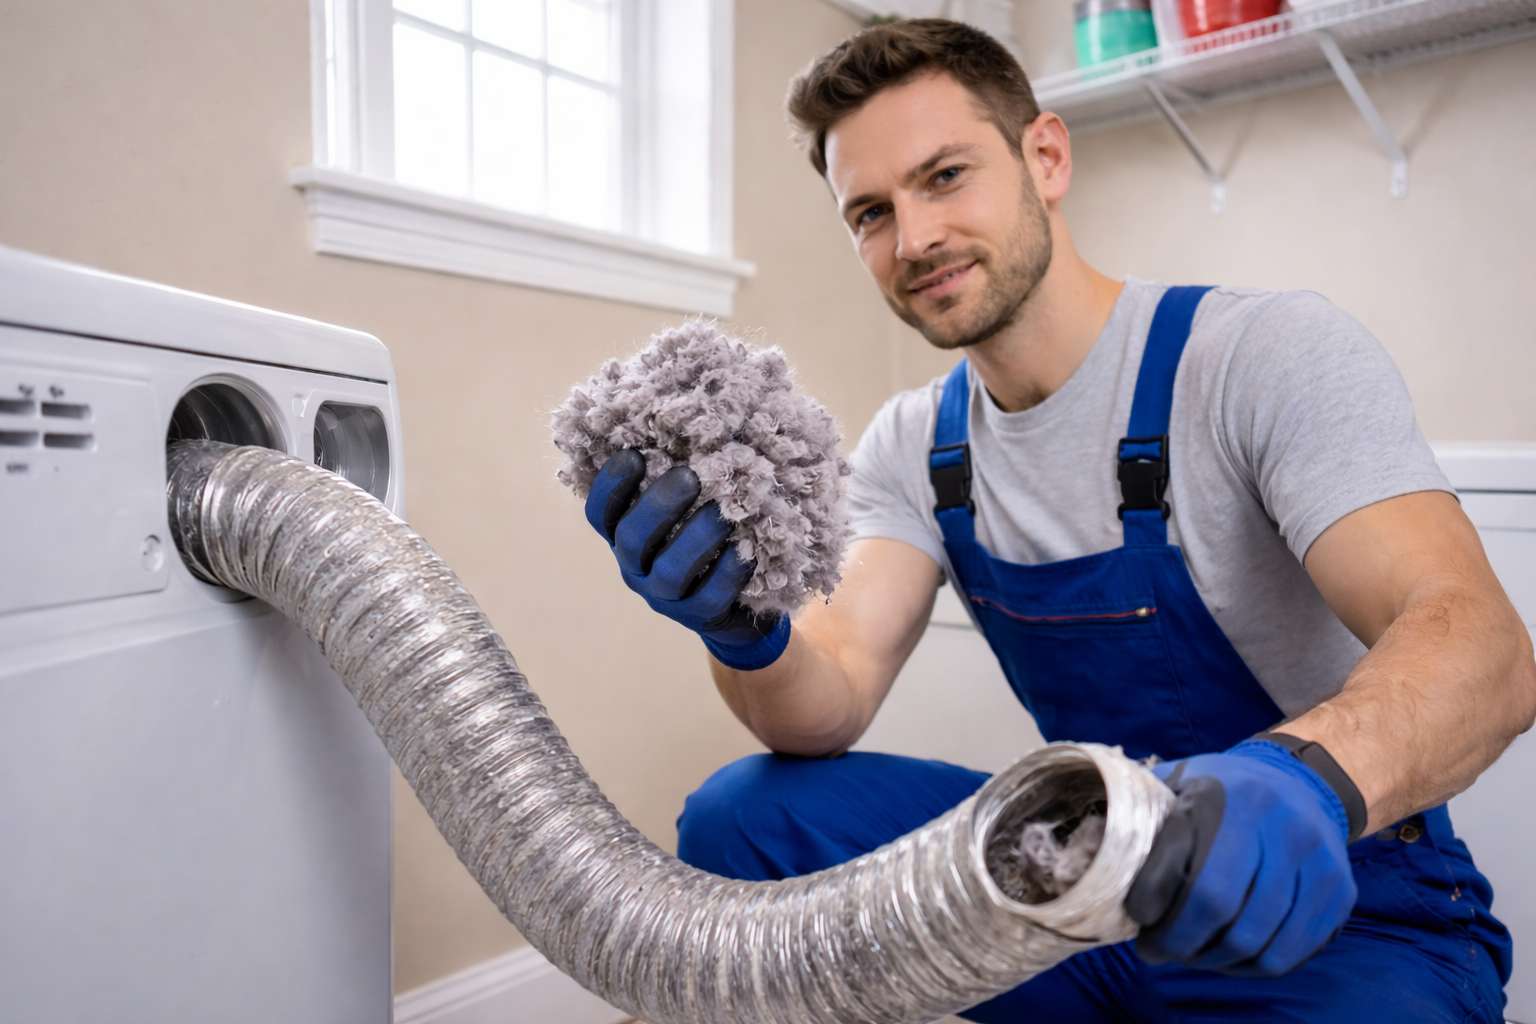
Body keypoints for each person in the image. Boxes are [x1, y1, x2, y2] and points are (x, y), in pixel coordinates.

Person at [581, 18, 1533, 1022]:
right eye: (870, 212)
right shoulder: (915, 442)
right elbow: (831, 693)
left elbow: (1482, 643)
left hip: (1344, 920)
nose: (914, 239)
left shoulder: (1259, 356)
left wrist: (1299, 779)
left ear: (1044, 156)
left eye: (944, 175)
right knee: (748, 818)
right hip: (1082, 890)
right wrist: (744, 630)